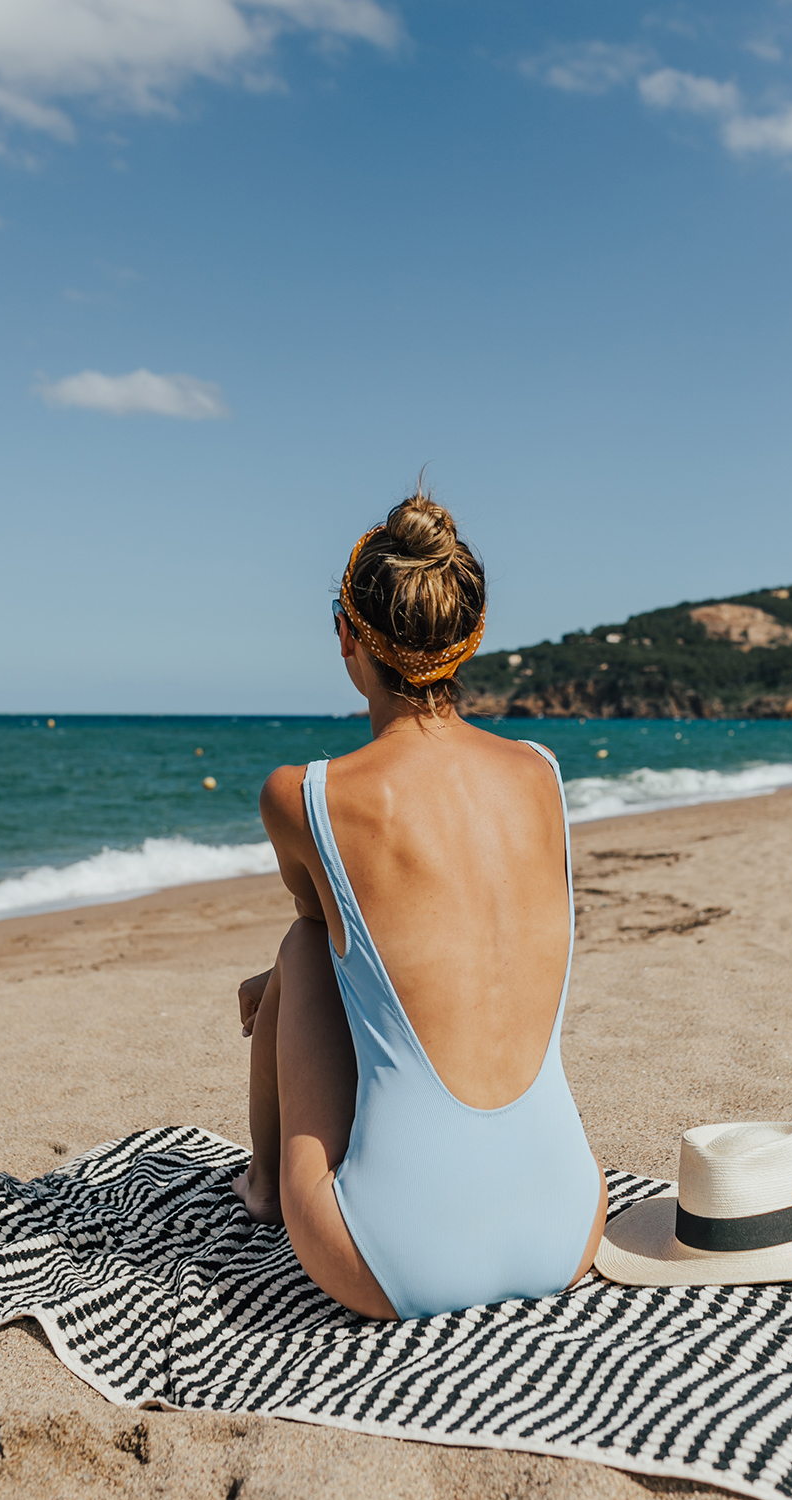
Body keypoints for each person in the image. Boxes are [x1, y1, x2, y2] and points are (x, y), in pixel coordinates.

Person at [233, 487, 608, 1320]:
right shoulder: (541, 774)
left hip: (385, 1262)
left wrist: (276, 983)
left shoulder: (303, 796)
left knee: (299, 952)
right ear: (468, 639)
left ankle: (262, 1186)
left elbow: (319, 928)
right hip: (571, 1227)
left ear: (345, 635)